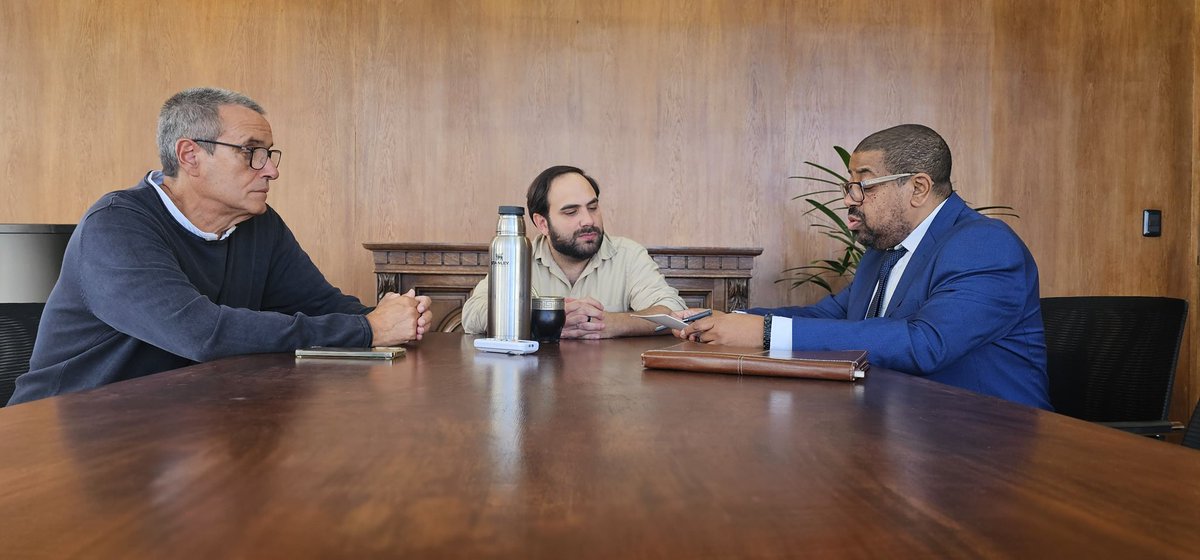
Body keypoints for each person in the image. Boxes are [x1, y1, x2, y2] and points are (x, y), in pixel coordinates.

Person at [8, 87, 432, 405]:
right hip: (63, 432)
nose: (271, 171)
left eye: (269, 153)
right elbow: (201, 333)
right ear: (190, 155)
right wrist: (367, 330)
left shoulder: (258, 226)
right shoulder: (117, 225)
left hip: (176, 427)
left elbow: (321, 304)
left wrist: (396, 315)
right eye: (251, 152)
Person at [674, 124, 1051, 409]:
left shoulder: (985, 244)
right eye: (848, 186)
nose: (851, 201)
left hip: (989, 443)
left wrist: (766, 333)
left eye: (864, 186)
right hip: (901, 429)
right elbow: (829, 315)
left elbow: (925, 343)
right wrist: (725, 319)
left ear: (918, 188)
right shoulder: (883, 252)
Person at [461, 165, 686, 339]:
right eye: (571, 212)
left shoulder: (629, 254)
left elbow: (673, 312)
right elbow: (473, 314)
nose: (588, 220)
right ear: (542, 223)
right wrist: (543, 319)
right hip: (536, 389)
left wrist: (609, 323)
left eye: (593, 207)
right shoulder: (518, 256)